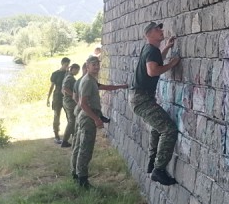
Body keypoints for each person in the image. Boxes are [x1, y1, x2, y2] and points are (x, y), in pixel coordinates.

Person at [129, 21, 180, 186]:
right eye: (158, 29)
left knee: (157, 129)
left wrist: (166, 48)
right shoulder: (151, 50)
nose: (161, 31)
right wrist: (171, 64)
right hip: (142, 99)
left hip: (140, 98)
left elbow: (155, 61)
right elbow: (152, 71)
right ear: (149, 33)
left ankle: (152, 162)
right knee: (169, 129)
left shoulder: (150, 49)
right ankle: (158, 170)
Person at [71, 55, 127, 188]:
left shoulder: (90, 79)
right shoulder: (88, 81)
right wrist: (96, 119)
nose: (96, 67)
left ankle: (75, 173)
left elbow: (103, 87)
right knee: (85, 149)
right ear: (87, 65)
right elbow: (83, 103)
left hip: (85, 116)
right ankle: (82, 180)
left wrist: (121, 86)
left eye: (97, 64)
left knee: (79, 146)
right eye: (93, 64)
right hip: (88, 117)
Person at [46, 57, 70, 144]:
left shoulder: (68, 74)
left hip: (66, 97)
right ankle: (56, 136)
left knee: (69, 115)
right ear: (62, 64)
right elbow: (52, 86)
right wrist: (48, 98)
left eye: (68, 65)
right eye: (66, 65)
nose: (67, 67)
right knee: (56, 116)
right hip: (57, 97)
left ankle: (70, 133)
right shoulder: (55, 74)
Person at [60, 63, 81, 148]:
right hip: (70, 102)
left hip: (67, 101)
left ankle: (71, 138)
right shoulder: (69, 77)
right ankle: (65, 141)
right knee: (72, 122)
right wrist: (73, 95)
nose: (77, 72)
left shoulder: (67, 76)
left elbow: (62, 89)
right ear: (74, 69)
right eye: (77, 70)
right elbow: (65, 88)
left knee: (72, 121)